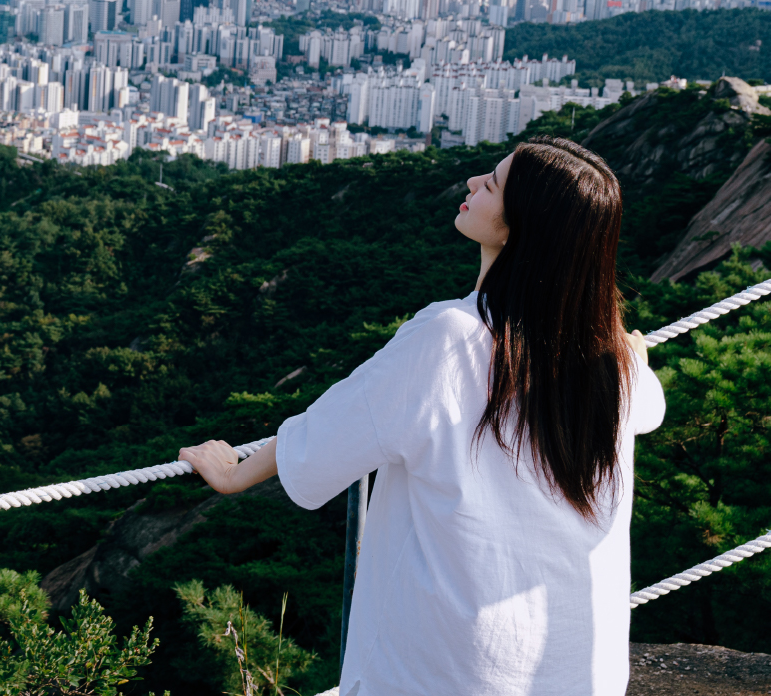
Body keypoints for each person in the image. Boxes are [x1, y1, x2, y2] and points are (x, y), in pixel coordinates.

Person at [179, 137, 665, 696]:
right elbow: (647, 402)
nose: (472, 184)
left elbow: (327, 435)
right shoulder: (610, 359)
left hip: (454, 670)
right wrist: (634, 354)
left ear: (521, 224)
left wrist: (234, 472)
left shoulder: (450, 339)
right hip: (582, 673)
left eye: (494, 183)